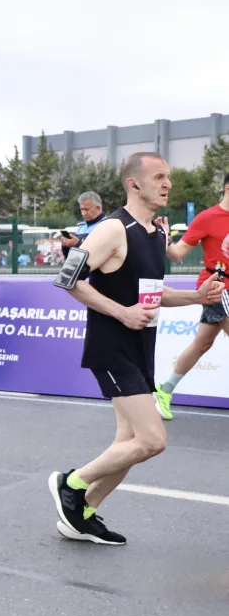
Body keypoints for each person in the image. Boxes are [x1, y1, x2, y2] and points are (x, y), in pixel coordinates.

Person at [49, 152, 222, 546]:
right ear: (134, 184)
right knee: (151, 440)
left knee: (128, 444)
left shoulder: (158, 233)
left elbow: (152, 292)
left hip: (143, 346)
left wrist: (196, 296)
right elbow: (67, 279)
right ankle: (71, 485)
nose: (168, 184)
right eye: (159, 177)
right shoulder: (112, 229)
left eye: (168, 177)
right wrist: (121, 314)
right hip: (111, 347)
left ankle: (82, 515)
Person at [153, 173, 229, 419]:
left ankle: (164, 390)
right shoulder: (207, 218)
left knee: (202, 344)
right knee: (203, 343)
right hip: (217, 288)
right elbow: (177, 254)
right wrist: (164, 241)